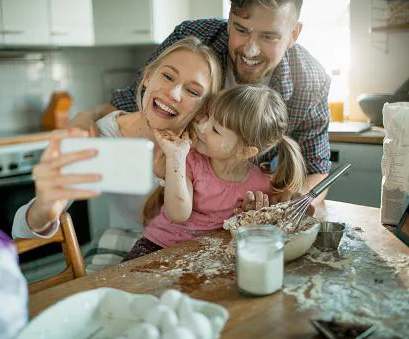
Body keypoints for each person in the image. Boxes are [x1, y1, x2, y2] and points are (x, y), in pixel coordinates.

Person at [71, 0, 331, 206]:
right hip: (184, 207)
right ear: (229, 18)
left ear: (294, 33)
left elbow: (317, 169)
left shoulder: (310, 80)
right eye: (241, 30)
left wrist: (290, 203)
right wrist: (88, 115)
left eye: (269, 37)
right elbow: (133, 101)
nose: (250, 50)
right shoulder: (195, 37)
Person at [12, 36, 223, 272]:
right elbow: (21, 233)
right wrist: (44, 207)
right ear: (147, 76)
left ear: (204, 107)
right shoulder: (102, 136)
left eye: (192, 91)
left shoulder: (207, 146)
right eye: (168, 76)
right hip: (120, 252)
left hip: (185, 255)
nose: (174, 93)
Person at [123, 84, 306, 261]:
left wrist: (251, 216)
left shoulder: (261, 185)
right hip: (158, 246)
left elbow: (288, 214)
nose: (202, 128)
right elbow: (178, 214)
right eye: (207, 118)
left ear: (245, 152)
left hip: (206, 257)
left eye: (215, 130)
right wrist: (175, 158)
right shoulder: (189, 159)